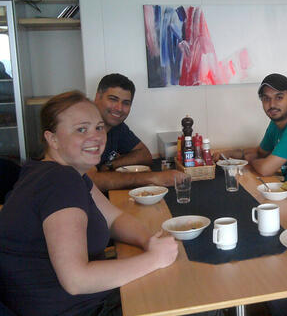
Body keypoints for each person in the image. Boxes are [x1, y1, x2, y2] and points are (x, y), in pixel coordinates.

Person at [0, 91, 179, 316]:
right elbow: (76, 280)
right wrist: (154, 259)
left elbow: (115, 219)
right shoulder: (59, 181)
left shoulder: (62, 173)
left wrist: (148, 241)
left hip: (77, 302)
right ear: (52, 138)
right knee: (191, 296)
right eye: (81, 129)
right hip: (78, 309)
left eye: (98, 127)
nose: (95, 136)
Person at [214, 73, 287, 190]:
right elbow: (260, 152)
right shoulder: (276, 123)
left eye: (279, 97)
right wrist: (228, 153)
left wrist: (250, 160)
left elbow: (265, 169)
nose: (272, 104)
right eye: (266, 98)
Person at [87, 74, 185, 190]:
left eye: (126, 103)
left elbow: (144, 155)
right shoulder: (83, 129)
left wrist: (110, 165)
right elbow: (91, 181)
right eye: (113, 99)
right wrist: (153, 178)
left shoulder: (116, 127)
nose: (119, 108)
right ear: (97, 97)